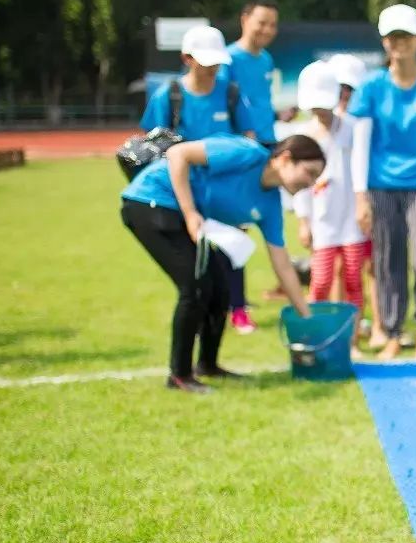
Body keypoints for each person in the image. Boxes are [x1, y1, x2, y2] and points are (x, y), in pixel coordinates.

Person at [120, 134, 323, 393]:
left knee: (220, 288)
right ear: (285, 159)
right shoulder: (247, 153)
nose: (312, 183)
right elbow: (178, 154)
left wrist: (306, 316)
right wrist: (191, 212)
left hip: (180, 215)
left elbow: (281, 262)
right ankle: (180, 376)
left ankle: (208, 365)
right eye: (310, 172)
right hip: (151, 201)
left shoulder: (270, 202)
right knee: (195, 286)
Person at [352, 4, 416, 360]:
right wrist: (360, 196)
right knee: (387, 262)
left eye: (406, 37)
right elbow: (360, 146)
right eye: (393, 37)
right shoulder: (370, 88)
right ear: (385, 42)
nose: (400, 43)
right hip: (381, 187)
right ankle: (394, 332)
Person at [291, 62, 370, 354]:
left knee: (353, 279)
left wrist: (363, 206)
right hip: (322, 222)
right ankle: (316, 337)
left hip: (351, 219)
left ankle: (351, 341)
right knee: (321, 281)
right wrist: (303, 220)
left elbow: (360, 167)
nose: (321, 113)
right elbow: (301, 185)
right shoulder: (304, 134)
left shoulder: (352, 127)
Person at [219, 0, 281, 335]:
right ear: (244, 19)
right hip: (241, 153)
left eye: (273, 24)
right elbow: (225, 104)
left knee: (271, 224)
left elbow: (260, 102)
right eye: (261, 22)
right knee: (236, 229)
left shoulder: (267, 60)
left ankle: (239, 298)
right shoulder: (227, 59)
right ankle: (237, 308)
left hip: (268, 148)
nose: (267, 30)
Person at [328, 53, 382, 342]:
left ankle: (378, 326)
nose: (345, 95)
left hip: (369, 202)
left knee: (375, 267)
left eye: (351, 89)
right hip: (338, 208)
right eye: (340, 88)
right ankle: (343, 330)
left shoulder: (368, 121)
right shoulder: (328, 122)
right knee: (339, 269)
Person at [140, 25, 250, 141]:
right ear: (186, 58)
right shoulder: (166, 95)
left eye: (217, 62)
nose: (213, 68)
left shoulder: (232, 93)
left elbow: (248, 135)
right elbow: (153, 140)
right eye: (206, 62)